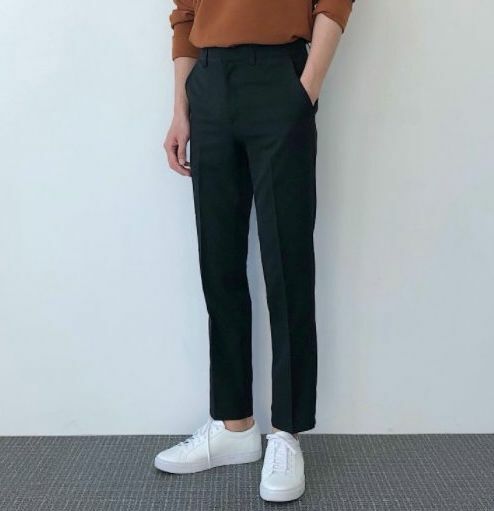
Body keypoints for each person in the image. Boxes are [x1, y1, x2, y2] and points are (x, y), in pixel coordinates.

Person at [155, 0, 355, 502]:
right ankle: (234, 426)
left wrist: (306, 90)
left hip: (279, 76)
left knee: (287, 260)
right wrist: (181, 108)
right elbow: (185, 15)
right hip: (209, 81)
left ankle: (286, 432)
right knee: (218, 261)